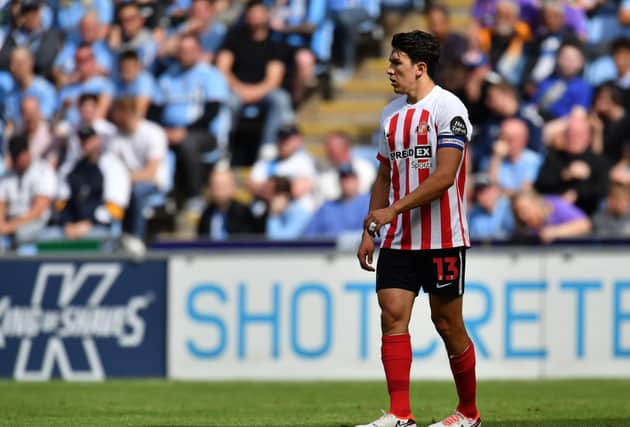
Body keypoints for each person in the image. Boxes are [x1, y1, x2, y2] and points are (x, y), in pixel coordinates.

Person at [355, 31, 480, 427]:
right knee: (392, 315)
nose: (390, 71)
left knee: (447, 324)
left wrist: (393, 208)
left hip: (443, 236)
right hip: (397, 237)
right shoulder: (389, 114)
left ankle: (468, 412)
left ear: (420, 68)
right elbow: (384, 173)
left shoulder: (449, 108)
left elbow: (445, 175)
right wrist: (370, 227)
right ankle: (400, 414)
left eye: (397, 64)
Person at [216, 0, 294, 156]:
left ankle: (269, 146)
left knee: (281, 99)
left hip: (263, 91)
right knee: (228, 101)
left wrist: (254, 92)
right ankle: (221, 146)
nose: (256, 18)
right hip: (236, 89)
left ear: (266, 16)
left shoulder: (275, 43)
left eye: (259, 13)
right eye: (252, 14)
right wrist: (239, 89)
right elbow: (222, 69)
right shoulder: (233, 38)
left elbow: (274, 79)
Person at [56, 125, 130, 240]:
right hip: (71, 227)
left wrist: (89, 223)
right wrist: (67, 223)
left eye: (90, 139)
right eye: (83, 140)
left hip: (101, 227)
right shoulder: (73, 168)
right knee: (46, 238)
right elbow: (62, 201)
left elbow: (116, 206)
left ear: (98, 140)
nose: (86, 143)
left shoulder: (112, 166)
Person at [109, 97, 169, 239]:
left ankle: (136, 237)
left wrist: (122, 178)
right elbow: (110, 168)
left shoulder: (153, 133)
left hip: (154, 183)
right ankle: (109, 234)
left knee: (137, 191)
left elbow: (150, 173)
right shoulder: (115, 136)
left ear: (130, 113)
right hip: (123, 183)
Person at [0, 134, 56, 249]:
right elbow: (1, 203)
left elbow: (38, 210)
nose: (17, 159)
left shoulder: (43, 170)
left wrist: (9, 227)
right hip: (10, 222)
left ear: (27, 152)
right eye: (14, 156)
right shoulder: (7, 175)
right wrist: (2, 225)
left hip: (37, 223)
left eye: (19, 155)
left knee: (21, 235)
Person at [304, 164, 369, 237]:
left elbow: (373, 233)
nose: (348, 183)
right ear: (339, 182)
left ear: (357, 181)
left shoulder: (369, 203)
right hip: (328, 247)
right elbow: (309, 235)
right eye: (344, 179)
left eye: (351, 178)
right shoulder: (327, 207)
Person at [481, 117, 542, 194]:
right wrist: (496, 158)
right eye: (502, 138)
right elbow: (490, 189)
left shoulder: (533, 160)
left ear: (524, 140)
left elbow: (524, 192)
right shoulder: (490, 160)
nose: (504, 144)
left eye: (510, 140)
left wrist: (503, 191)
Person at [197, 165, 258, 239]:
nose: (218, 190)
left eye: (223, 185)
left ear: (233, 187)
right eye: (215, 185)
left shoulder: (243, 212)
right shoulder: (207, 213)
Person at [511, 189, 591, 243]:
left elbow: (584, 224)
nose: (521, 216)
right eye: (518, 212)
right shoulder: (521, 225)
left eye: (525, 210)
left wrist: (555, 232)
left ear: (535, 203)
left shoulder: (557, 206)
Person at [317, 131, 376, 202]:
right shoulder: (322, 170)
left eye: (330, 147)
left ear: (344, 147)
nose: (326, 150)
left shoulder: (365, 168)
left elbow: (362, 196)